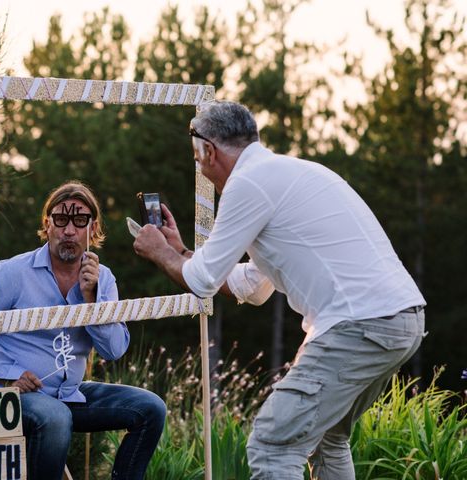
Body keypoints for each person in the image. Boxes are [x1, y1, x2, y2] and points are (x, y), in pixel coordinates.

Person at [133, 101, 425, 479]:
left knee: (272, 444)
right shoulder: (290, 173)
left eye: (197, 156)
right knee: (327, 439)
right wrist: (181, 252)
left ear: (209, 150)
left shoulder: (247, 183)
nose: (199, 167)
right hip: (400, 320)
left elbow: (202, 281)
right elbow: (252, 286)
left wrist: (159, 254)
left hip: (358, 324)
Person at [0, 181, 166, 480]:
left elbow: (114, 349)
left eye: (79, 221)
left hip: (69, 394)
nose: (69, 230)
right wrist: (8, 372)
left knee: (150, 408)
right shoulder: (15, 272)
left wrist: (92, 300)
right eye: (61, 220)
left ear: (92, 230)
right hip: (14, 394)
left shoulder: (102, 278)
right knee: (55, 417)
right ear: (47, 224)